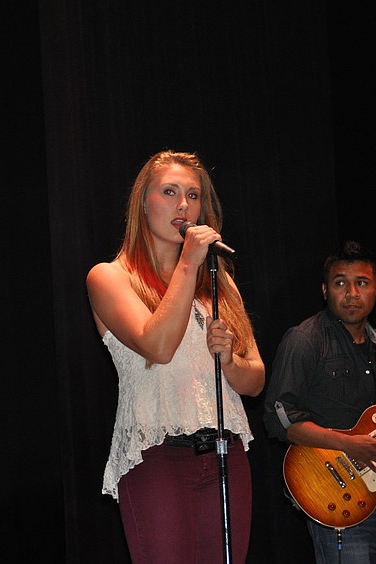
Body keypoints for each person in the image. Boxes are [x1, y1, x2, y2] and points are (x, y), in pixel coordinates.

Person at [86, 150, 265, 563]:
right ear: (143, 202)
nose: (184, 206)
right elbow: (158, 346)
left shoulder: (220, 284)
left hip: (225, 454)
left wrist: (230, 363)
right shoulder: (110, 278)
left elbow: (255, 380)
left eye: (194, 195)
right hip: (158, 458)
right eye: (170, 192)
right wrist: (189, 262)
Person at [263, 241, 376, 562]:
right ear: (325, 290)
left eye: (363, 283)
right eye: (341, 283)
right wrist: (347, 444)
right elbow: (279, 418)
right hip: (338, 500)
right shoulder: (304, 340)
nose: (352, 292)